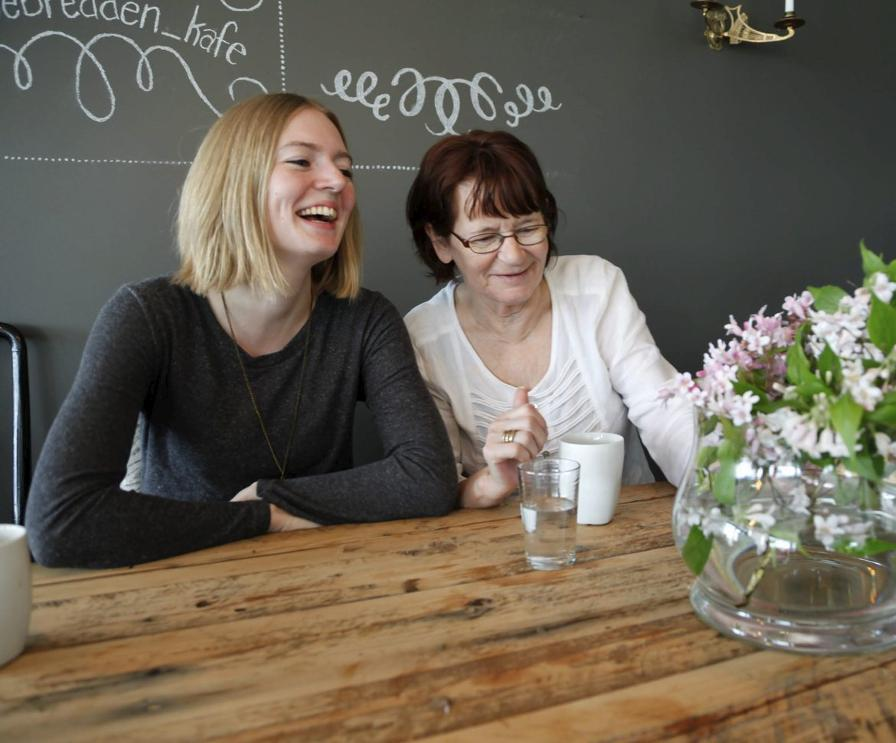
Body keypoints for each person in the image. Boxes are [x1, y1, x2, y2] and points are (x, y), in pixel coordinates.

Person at [27, 93, 456, 568]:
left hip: (326, 577)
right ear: (236, 183)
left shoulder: (365, 319)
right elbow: (61, 522)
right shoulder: (147, 315)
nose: (337, 182)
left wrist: (272, 494)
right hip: (176, 580)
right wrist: (263, 517)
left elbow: (427, 477)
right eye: (300, 161)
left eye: (345, 168)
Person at [404, 130, 694, 508]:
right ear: (441, 243)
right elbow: (437, 490)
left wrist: (721, 485)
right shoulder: (423, 338)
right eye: (486, 238)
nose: (513, 255)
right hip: (493, 550)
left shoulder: (595, 288)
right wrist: (494, 478)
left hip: (623, 530)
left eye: (527, 228)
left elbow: (664, 410)